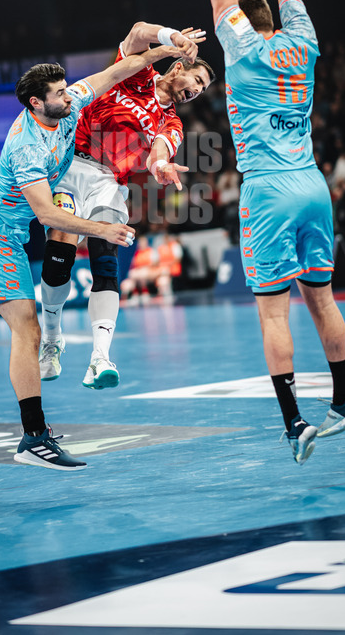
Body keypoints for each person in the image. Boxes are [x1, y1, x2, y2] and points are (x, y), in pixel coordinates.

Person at [0, 44, 184, 476]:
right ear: (36, 103)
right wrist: (102, 229)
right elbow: (46, 214)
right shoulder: (28, 148)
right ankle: (34, 437)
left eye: (66, 89)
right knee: (28, 330)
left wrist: (165, 47)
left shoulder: (67, 104)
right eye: (60, 93)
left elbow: (120, 70)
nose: (70, 95)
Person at [201, 0, 345, 465]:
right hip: (312, 182)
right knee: (323, 298)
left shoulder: (240, 48)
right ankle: (344, 401)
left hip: (268, 189)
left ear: (242, 25)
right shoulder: (302, 37)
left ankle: (295, 422)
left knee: (273, 309)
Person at [38, 23, 214, 390]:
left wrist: (160, 165)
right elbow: (137, 33)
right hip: (71, 166)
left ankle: (100, 357)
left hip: (109, 183)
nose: (197, 91)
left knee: (106, 262)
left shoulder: (171, 121)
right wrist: (173, 39)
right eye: (197, 80)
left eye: (203, 90)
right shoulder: (137, 74)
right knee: (60, 252)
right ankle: (51, 338)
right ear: (178, 67)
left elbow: (160, 150)